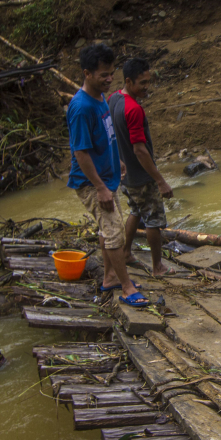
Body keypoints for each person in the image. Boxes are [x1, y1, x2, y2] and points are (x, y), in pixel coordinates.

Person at [66, 44, 147, 308]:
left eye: (111, 73)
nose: (109, 79)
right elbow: (81, 153)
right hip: (92, 182)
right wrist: (100, 187)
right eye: (104, 75)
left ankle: (110, 276)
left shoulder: (100, 97)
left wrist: (118, 160)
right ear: (87, 73)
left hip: (107, 176)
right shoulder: (81, 108)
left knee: (108, 229)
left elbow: (104, 137)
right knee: (115, 233)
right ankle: (126, 286)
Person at [108, 57, 176, 278]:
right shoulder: (133, 109)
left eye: (148, 81)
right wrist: (160, 180)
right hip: (141, 176)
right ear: (129, 81)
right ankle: (158, 267)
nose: (147, 87)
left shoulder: (113, 99)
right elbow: (139, 150)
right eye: (142, 83)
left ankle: (126, 252)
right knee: (153, 220)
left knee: (136, 211)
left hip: (125, 175)